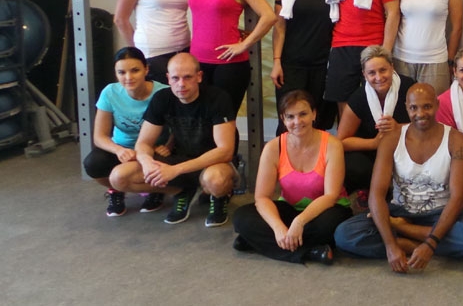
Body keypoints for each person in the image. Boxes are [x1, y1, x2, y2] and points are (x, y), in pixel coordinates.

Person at [334, 83, 463, 272]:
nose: (420, 113)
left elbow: (458, 198)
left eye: (427, 106)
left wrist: (430, 244)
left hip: (441, 213)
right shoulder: (391, 139)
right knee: (344, 234)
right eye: (414, 108)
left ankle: (405, 233)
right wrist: (390, 246)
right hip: (400, 210)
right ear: (406, 108)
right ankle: (411, 245)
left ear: (437, 105)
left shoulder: (457, 140)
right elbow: (376, 195)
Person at [109, 53, 238, 227]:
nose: (181, 84)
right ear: (168, 79)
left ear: (199, 77)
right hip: (176, 159)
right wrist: (147, 163)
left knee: (215, 181)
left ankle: (219, 196)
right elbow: (144, 142)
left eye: (188, 77)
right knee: (119, 177)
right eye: (176, 78)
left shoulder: (218, 98)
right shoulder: (162, 98)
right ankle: (181, 191)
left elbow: (225, 151)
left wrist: (176, 170)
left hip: (212, 163)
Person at [231, 90, 352, 264]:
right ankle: (310, 251)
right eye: (290, 117)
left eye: (303, 114)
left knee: (330, 227)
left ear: (314, 114)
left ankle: (259, 242)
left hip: (326, 210)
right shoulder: (273, 148)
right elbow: (262, 197)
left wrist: (299, 222)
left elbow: (331, 196)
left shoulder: (332, 145)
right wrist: (278, 227)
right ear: (283, 119)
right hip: (291, 207)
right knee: (241, 217)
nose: (297, 122)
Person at [188, 0, 276, 113]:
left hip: (228, 66)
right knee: (201, 119)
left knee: (224, 120)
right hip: (197, 62)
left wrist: (244, 44)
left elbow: (269, 16)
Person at [84, 47, 170, 216]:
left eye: (135, 70)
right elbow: (99, 136)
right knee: (93, 164)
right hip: (124, 149)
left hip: (154, 149)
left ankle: (155, 190)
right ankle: (115, 189)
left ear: (146, 69)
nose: (128, 77)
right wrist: (118, 150)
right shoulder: (109, 93)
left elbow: (179, 126)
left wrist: (168, 145)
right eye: (121, 72)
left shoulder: (164, 92)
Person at [271, 0, 336, 135]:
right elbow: (279, 27)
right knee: (289, 121)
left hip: (323, 65)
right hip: (292, 64)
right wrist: (276, 61)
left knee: (318, 121)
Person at [335, 46, 415, 195]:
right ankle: (369, 190)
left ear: (392, 68)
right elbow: (341, 141)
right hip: (372, 153)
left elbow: (428, 125)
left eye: (383, 70)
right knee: (352, 165)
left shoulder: (409, 88)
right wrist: (374, 143)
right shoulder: (359, 98)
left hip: (406, 147)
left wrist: (399, 128)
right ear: (364, 74)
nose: (378, 77)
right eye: (372, 73)